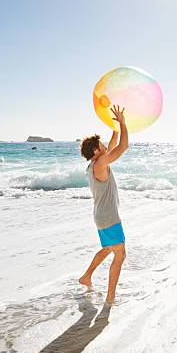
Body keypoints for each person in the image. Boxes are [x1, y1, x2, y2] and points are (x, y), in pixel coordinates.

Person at [78, 105, 128, 305]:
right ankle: (110, 299)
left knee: (109, 248)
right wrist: (123, 124)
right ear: (97, 150)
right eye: (102, 145)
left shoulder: (94, 164)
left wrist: (115, 128)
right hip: (108, 217)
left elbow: (113, 146)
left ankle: (86, 276)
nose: (105, 146)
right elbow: (121, 148)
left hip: (101, 215)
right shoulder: (100, 164)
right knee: (120, 254)